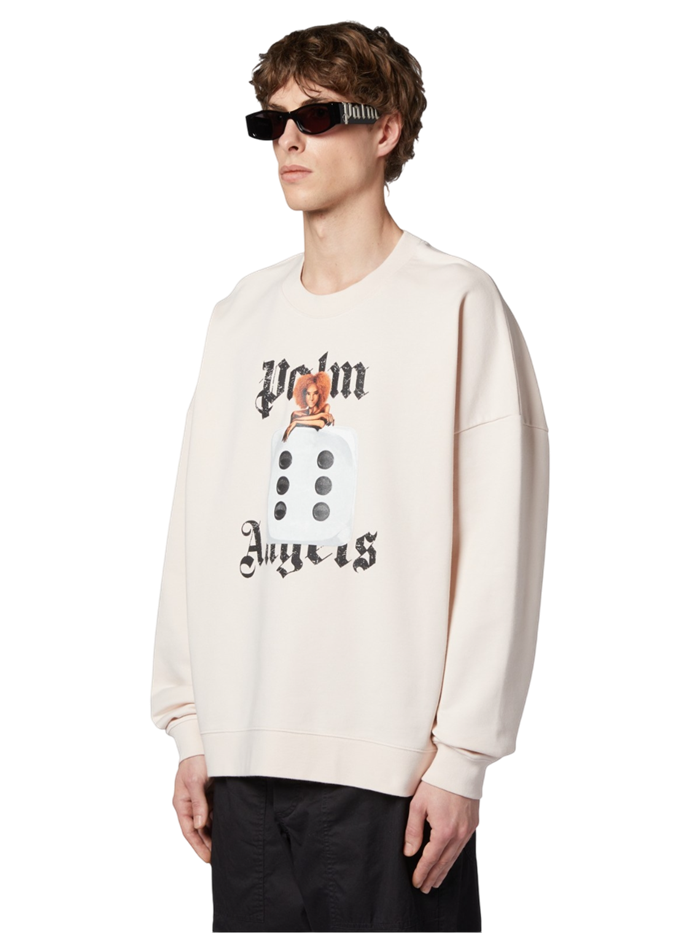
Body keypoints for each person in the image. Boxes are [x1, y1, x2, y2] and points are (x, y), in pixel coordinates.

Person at [150, 20, 550, 932]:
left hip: (391, 768)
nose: (288, 140)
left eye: (321, 116)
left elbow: (501, 543)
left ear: (385, 130)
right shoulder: (239, 314)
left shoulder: (456, 302)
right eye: (273, 121)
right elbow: (194, 524)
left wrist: (464, 754)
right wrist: (190, 724)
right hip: (243, 758)